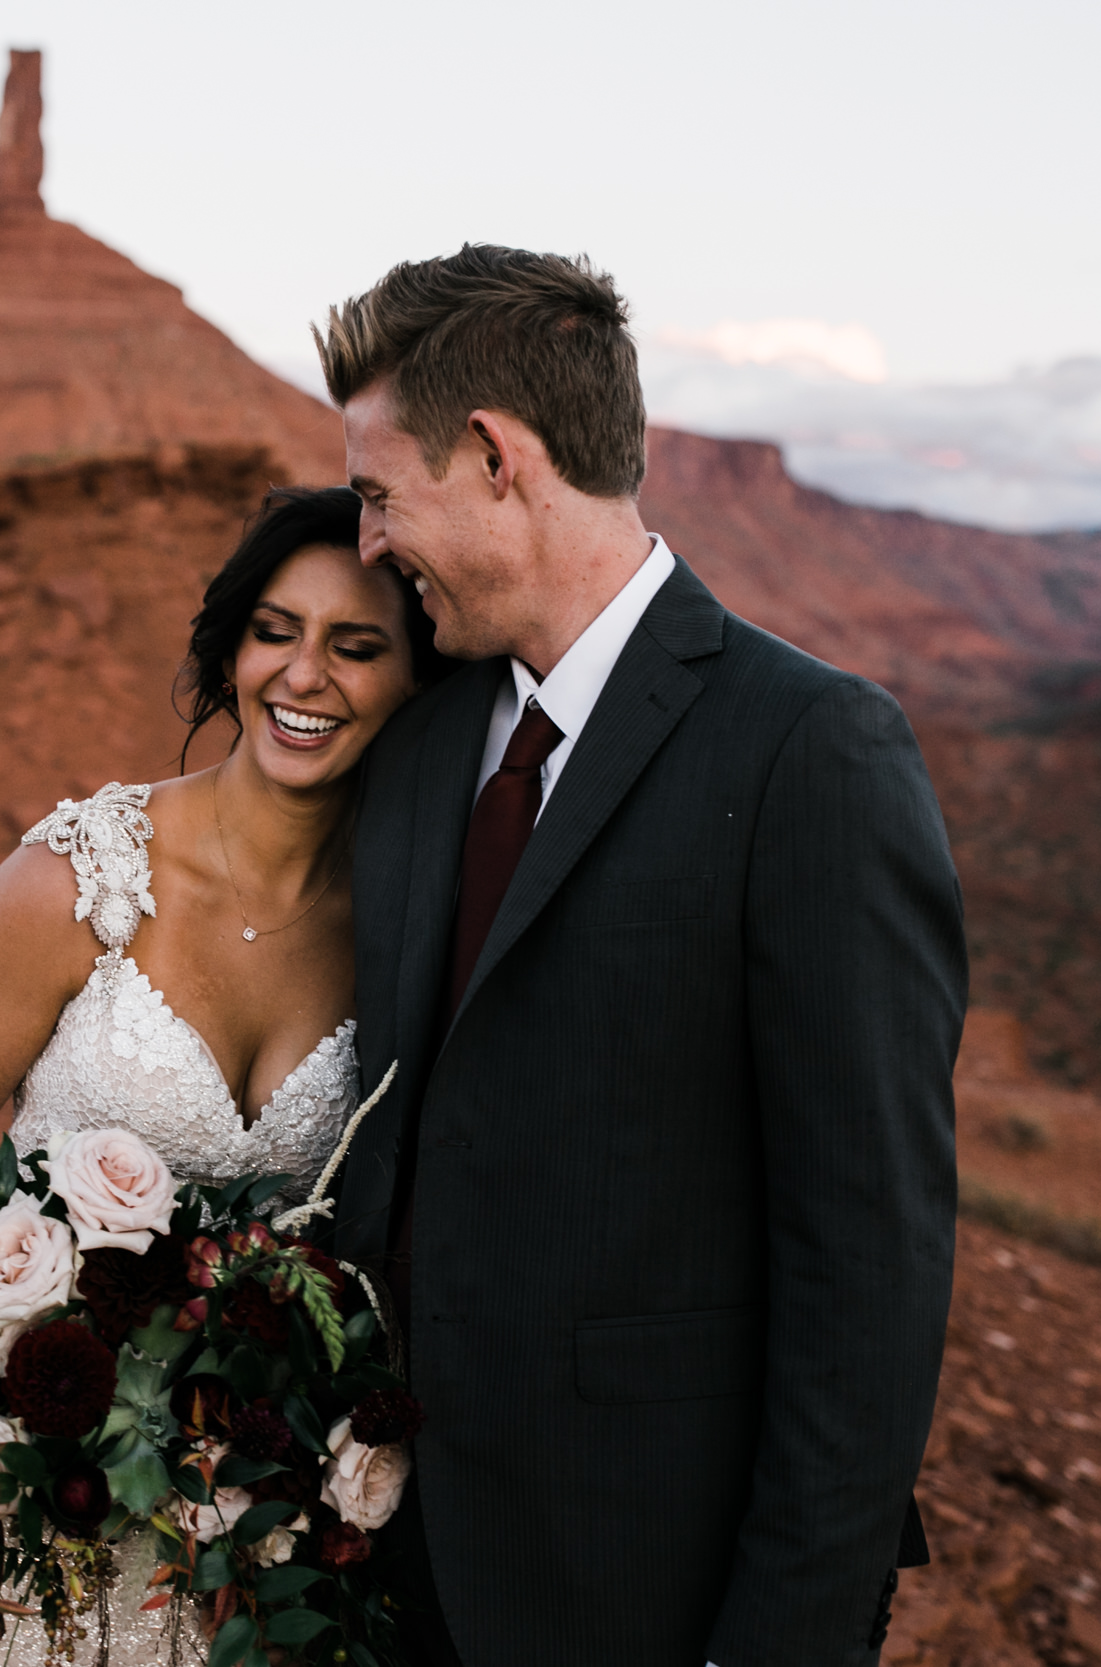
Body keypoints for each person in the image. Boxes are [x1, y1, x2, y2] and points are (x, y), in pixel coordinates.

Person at [318, 246, 965, 1666]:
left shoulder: (812, 752)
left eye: (378, 491)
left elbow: (870, 1261)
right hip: (379, 1579)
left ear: (495, 457)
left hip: (643, 1591)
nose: (368, 543)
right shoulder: (423, 748)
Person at [0, 486, 451, 1665]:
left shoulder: (403, 932)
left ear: (414, 681)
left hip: (255, 1560)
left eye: (356, 645)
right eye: (275, 630)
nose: (304, 675)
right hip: (31, 1534)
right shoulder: (74, 878)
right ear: (230, 649)